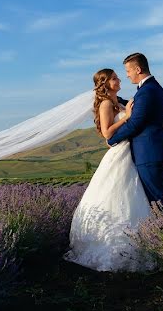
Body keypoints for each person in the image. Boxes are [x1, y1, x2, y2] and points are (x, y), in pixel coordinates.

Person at [64, 68, 156, 272]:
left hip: (129, 150)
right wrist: (127, 116)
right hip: (119, 153)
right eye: (114, 78)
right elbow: (107, 133)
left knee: (131, 194)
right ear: (105, 83)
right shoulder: (106, 104)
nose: (119, 79)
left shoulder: (117, 101)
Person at [107, 52, 163, 205]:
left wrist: (112, 140)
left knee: (159, 201)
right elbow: (138, 107)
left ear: (137, 70)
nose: (127, 75)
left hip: (149, 154)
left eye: (128, 71)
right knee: (159, 200)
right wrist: (115, 99)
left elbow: (135, 123)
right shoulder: (148, 88)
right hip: (151, 153)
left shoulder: (147, 91)